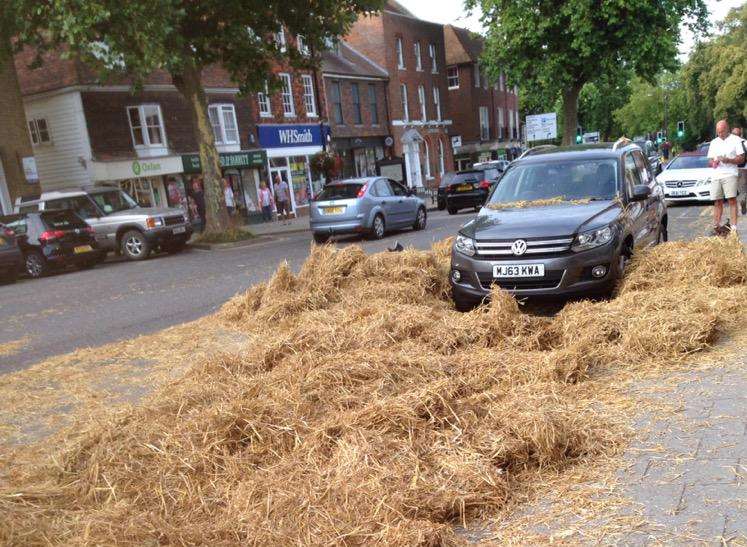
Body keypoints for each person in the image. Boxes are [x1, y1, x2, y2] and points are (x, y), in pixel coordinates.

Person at [707, 120, 746, 235]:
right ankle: (717, 225)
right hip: (716, 175)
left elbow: (741, 159)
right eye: (718, 132)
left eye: (722, 131)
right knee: (717, 201)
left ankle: (733, 227)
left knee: (731, 200)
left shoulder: (736, 140)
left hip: (730, 174)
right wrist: (713, 163)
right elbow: (709, 160)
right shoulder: (714, 142)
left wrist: (728, 160)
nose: (720, 134)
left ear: (727, 129)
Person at [732, 127, 747, 215]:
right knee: (744, 188)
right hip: (744, 168)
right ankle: (743, 200)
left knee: (741, 189)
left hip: (734, 170)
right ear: (740, 134)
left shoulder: (729, 144)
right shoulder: (745, 143)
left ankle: (742, 200)